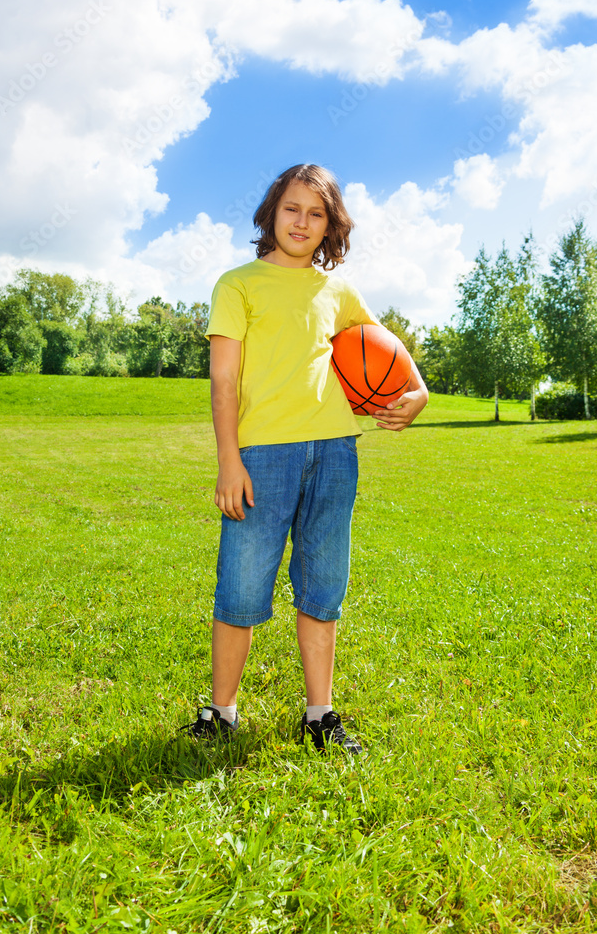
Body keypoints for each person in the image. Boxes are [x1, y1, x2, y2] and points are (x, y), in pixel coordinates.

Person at [183, 164, 428, 752]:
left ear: (331, 226)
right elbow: (223, 382)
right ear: (272, 211)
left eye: (316, 214)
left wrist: (418, 392)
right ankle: (221, 714)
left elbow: (386, 347)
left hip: (335, 454)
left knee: (323, 587)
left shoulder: (338, 291)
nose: (302, 221)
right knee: (240, 588)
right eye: (292, 208)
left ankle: (319, 715)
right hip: (261, 457)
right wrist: (228, 461)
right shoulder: (237, 284)